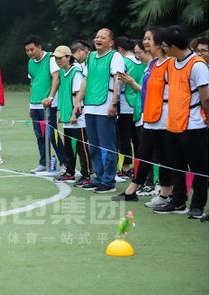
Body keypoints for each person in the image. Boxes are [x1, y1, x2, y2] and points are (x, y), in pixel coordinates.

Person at [112, 28, 173, 205]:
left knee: (163, 155)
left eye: (148, 39)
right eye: (144, 39)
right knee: (144, 152)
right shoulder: (152, 64)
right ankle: (134, 189)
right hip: (149, 115)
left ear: (159, 42)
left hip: (163, 116)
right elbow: (146, 91)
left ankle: (167, 193)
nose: (144, 42)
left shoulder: (169, 64)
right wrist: (132, 83)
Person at [154, 25, 209, 218]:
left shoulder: (197, 65)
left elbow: (206, 98)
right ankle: (178, 202)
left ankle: (197, 205)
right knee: (175, 166)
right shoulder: (171, 63)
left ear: (174, 46)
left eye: (164, 46)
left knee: (199, 168)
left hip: (194, 125)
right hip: (173, 124)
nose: (163, 49)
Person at [74, 28, 124, 193]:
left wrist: (114, 103)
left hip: (105, 105)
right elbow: (86, 80)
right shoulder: (91, 58)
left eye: (103, 37)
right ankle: (98, 177)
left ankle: (108, 181)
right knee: (93, 146)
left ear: (111, 42)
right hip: (90, 106)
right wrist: (78, 101)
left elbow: (118, 80)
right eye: (97, 36)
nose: (98, 39)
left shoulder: (114, 56)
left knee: (107, 146)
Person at [53, 46, 92, 186]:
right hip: (67, 116)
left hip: (77, 117)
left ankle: (87, 174)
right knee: (69, 147)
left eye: (60, 57)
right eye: (56, 58)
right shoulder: (63, 73)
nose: (57, 60)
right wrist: (60, 112)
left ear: (68, 57)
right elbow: (63, 95)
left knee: (82, 147)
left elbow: (78, 96)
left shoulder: (76, 72)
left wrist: (75, 114)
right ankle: (70, 172)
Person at [24, 35, 64, 172]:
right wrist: (30, 104)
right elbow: (33, 83)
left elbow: (56, 79)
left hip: (48, 104)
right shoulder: (30, 62)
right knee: (39, 135)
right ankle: (44, 162)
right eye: (27, 50)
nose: (30, 53)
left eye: (32, 49)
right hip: (35, 104)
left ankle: (65, 164)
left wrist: (51, 98)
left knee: (52, 135)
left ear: (39, 47)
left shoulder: (51, 59)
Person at [116, 36, 146, 179]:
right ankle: (139, 167)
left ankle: (125, 167)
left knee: (124, 138)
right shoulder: (143, 62)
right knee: (138, 138)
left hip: (124, 102)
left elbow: (119, 83)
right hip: (138, 102)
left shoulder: (123, 61)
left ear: (120, 49)